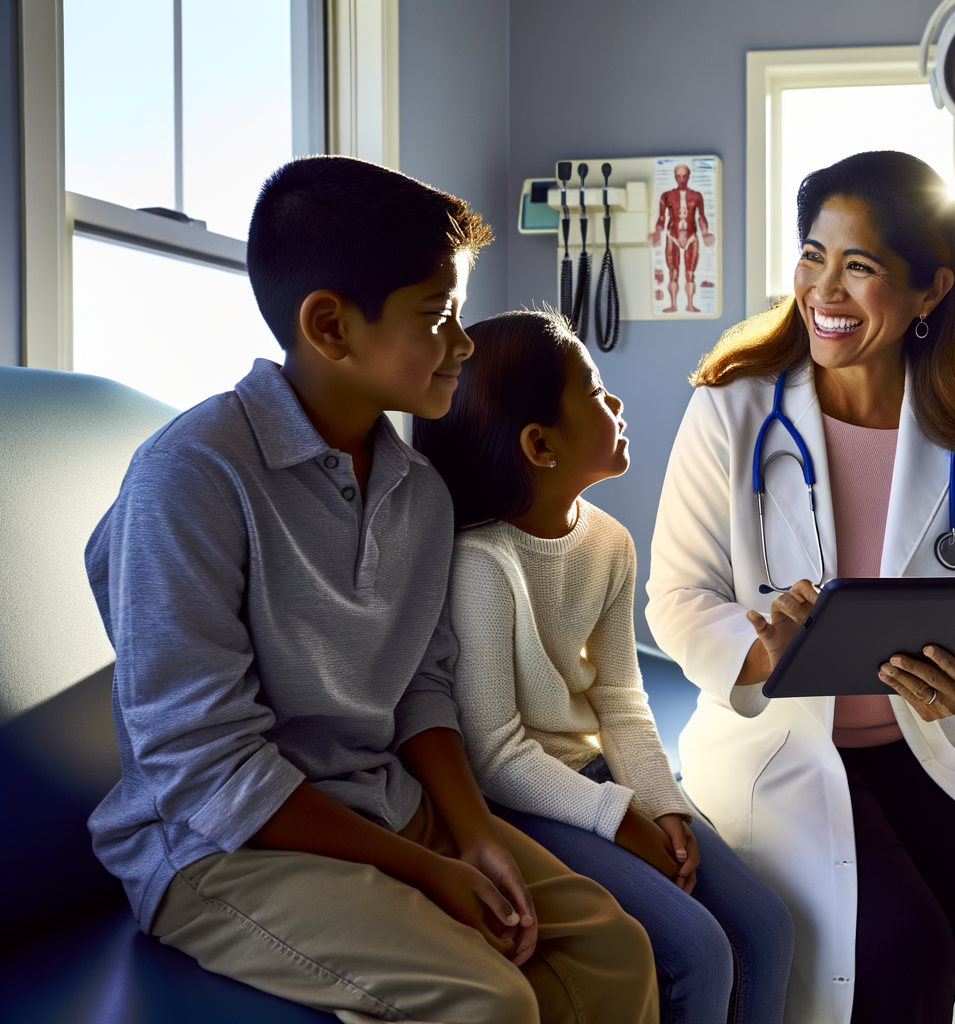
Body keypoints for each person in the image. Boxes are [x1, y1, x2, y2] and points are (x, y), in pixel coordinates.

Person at [85, 156, 658, 1023]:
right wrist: (432, 873)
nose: (464, 344)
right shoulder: (192, 477)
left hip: (384, 802)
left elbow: (421, 688)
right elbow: (207, 770)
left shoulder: (418, 492)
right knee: (488, 999)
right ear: (330, 326)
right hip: (219, 849)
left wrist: (471, 835)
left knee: (613, 950)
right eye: (440, 315)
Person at [645, 151, 955, 1024]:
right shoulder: (732, 410)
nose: (824, 289)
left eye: (861, 266)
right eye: (813, 255)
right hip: (780, 746)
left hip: (924, 745)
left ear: (931, 291)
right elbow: (678, 597)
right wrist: (757, 651)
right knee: (900, 957)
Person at [412, 309, 795, 1024]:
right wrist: (620, 821)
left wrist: (663, 806)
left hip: (591, 778)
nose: (614, 403)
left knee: (766, 927)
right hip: (518, 799)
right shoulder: (482, 565)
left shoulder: (610, 543)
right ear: (539, 444)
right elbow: (494, 754)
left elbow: (621, 695)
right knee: (697, 952)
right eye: (593, 390)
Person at [650, 163, 714, 313]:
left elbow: (701, 217)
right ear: (675, 177)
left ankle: (690, 304)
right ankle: (673, 305)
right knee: (673, 273)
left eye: (684, 176)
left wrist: (705, 233)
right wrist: (657, 233)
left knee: (690, 274)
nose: (682, 179)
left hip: (691, 237)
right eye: (678, 176)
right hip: (673, 236)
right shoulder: (667, 196)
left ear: (688, 177)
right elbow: (661, 217)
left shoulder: (697, 196)